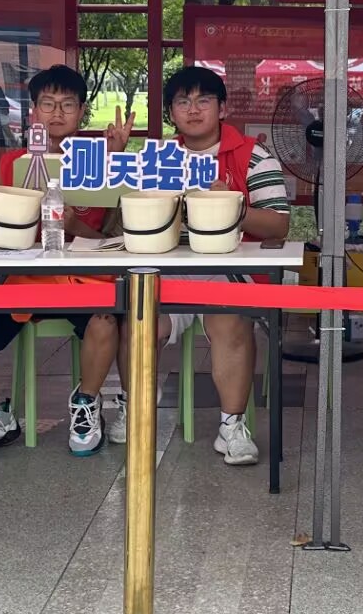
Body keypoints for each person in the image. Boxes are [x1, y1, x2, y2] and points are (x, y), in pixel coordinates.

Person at [124, 65, 292, 467]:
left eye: (204, 100)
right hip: (168, 267)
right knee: (138, 321)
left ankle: (231, 427)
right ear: (171, 112)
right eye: (183, 101)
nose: (193, 109)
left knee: (230, 320)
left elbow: (279, 225)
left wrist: (231, 205)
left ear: (223, 108)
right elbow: (123, 221)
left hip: (229, 265)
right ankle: (134, 412)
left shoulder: (253, 154)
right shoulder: (158, 159)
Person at [0, 65, 128, 456]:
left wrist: (76, 225)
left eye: (68, 104)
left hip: (83, 279)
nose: (57, 113)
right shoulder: (13, 164)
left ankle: (86, 403)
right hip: (22, 279)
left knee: (108, 319)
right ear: (33, 111)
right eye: (48, 104)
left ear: (82, 111)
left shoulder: (101, 162)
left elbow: (117, 242)